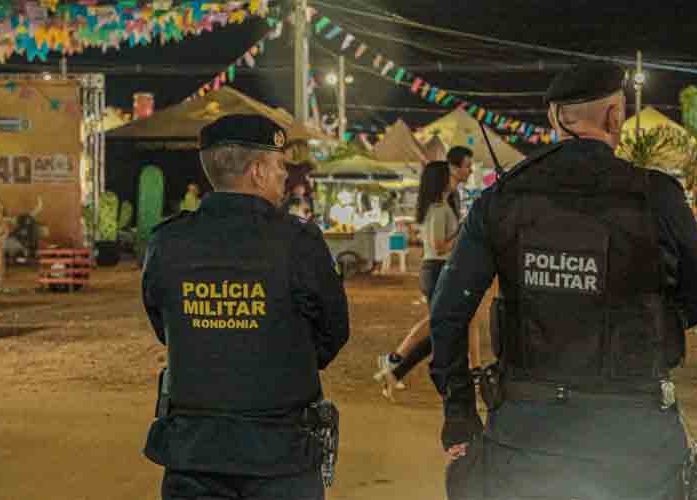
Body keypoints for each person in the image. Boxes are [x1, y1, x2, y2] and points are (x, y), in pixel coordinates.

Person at [429, 62, 697, 500]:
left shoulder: (502, 198)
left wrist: (459, 412)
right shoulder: (656, 196)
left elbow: (448, 312)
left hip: (524, 436)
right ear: (614, 116)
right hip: (634, 441)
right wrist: (643, 324)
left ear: (553, 118)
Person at [141, 114, 349, 500]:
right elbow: (333, 332)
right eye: (279, 165)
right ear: (257, 172)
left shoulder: (167, 242)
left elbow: (164, 324)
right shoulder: (298, 242)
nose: (284, 175)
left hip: (194, 454)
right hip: (280, 456)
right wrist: (280, 356)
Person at [374, 148, 477, 399]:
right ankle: (396, 362)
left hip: (439, 269)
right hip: (437, 269)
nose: (453, 178)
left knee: (441, 329)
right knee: (441, 326)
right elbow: (439, 246)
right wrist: (463, 232)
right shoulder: (438, 209)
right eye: (449, 174)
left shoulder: (444, 206)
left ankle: (395, 370)